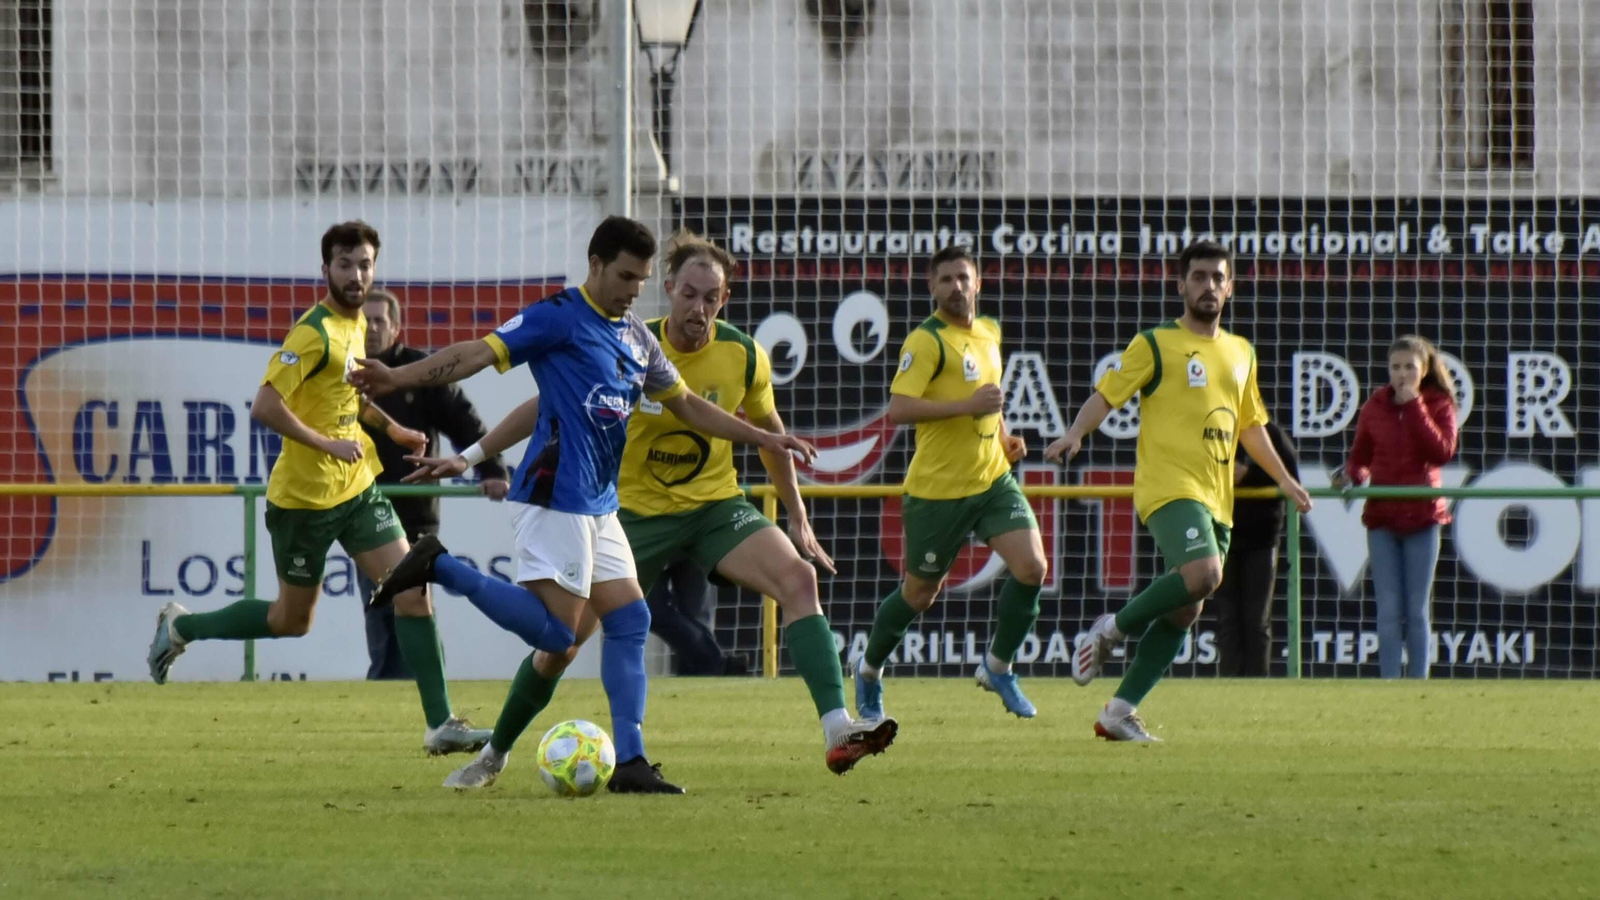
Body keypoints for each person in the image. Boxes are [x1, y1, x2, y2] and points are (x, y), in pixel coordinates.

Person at [351, 217, 849, 793]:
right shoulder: (558, 316)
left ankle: (631, 762)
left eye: (640, 280)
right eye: (625, 276)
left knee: (632, 618)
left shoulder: (638, 338)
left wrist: (763, 437)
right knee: (558, 639)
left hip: (601, 505)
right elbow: (476, 356)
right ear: (595, 265)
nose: (633, 290)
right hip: (553, 494)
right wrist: (399, 375)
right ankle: (440, 566)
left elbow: (686, 404)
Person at [144, 221, 491, 756]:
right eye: (346, 264)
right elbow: (264, 406)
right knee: (291, 621)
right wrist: (326, 445)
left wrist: (390, 428)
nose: (357, 275)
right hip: (304, 503)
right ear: (325, 268)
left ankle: (440, 723)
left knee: (414, 593)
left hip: (356, 490)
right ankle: (184, 626)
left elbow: (346, 397)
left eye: (365, 264)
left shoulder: (356, 326)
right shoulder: (313, 332)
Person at [1046, 241, 1313, 741]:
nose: (1208, 285)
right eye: (1198, 276)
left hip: (1218, 498)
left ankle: (1117, 711)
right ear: (1181, 285)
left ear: (1229, 287)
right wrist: (1076, 433)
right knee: (1205, 572)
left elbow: (1251, 426)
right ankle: (1112, 628)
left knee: (1189, 604)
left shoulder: (1240, 352)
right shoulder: (1154, 344)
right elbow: (1107, 396)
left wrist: (1284, 479)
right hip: (1168, 488)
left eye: (1217, 277)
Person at [851, 245, 1048, 724]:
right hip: (938, 493)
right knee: (920, 594)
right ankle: (869, 668)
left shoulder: (989, 333)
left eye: (963, 277)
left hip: (992, 481)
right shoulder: (926, 341)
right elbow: (898, 409)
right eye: (946, 280)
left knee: (1032, 567)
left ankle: (997, 667)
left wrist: (1003, 438)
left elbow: (991, 401)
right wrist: (967, 408)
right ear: (931, 288)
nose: (956, 287)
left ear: (978, 282)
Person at [355, 288, 511, 680]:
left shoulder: (419, 372)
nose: (371, 329)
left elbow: (465, 422)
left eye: (379, 321)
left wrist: (491, 470)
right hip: (362, 511)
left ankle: (425, 692)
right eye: (365, 320)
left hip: (414, 516)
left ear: (396, 327)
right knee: (381, 620)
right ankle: (389, 695)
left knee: (413, 610)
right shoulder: (345, 374)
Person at [1332, 335, 1459, 679]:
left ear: (1424, 370)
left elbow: (1443, 452)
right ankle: (1388, 683)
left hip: (1423, 515)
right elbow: (1361, 458)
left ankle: (1417, 683)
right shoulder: (1375, 406)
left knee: (1417, 609)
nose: (1402, 374)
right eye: (1395, 367)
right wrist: (1350, 476)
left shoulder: (1439, 404)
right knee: (1388, 609)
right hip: (1383, 518)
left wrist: (1415, 406)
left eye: (1409, 367)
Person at [1212, 419, 1298, 677]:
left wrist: (1250, 474)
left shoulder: (1270, 432)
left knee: (1257, 620)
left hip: (1262, 538)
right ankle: (1228, 687)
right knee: (1228, 620)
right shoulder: (1214, 427)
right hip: (1222, 534)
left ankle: (1256, 687)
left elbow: (1291, 476)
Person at [646, 558, 749, 676]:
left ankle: (710, 666)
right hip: (650, 545)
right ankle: (715, 663)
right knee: (650, 608)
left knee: (694, 616)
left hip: (692, 544)